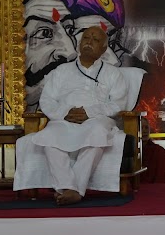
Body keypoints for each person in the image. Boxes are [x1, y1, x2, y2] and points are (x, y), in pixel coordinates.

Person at [14, 26, 129, 205]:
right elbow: (47, 101)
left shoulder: (113, 74)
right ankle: (70, 188)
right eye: (86, 38)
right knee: (49, 136)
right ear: (79, 43)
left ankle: (74, 189)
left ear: (104, 49)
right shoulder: (61, 71)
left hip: (96, 120)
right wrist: (64, 113)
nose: (89, 42)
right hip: (64, 120)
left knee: (98, 133)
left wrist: (90, 112)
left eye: (96, 40)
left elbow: (118, 103)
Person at [140, 117, 165, 183]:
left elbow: (161, 179)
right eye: (141, 128)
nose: (144, 131)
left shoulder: (159, 151)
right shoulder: (126, 152)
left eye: (146, 128)